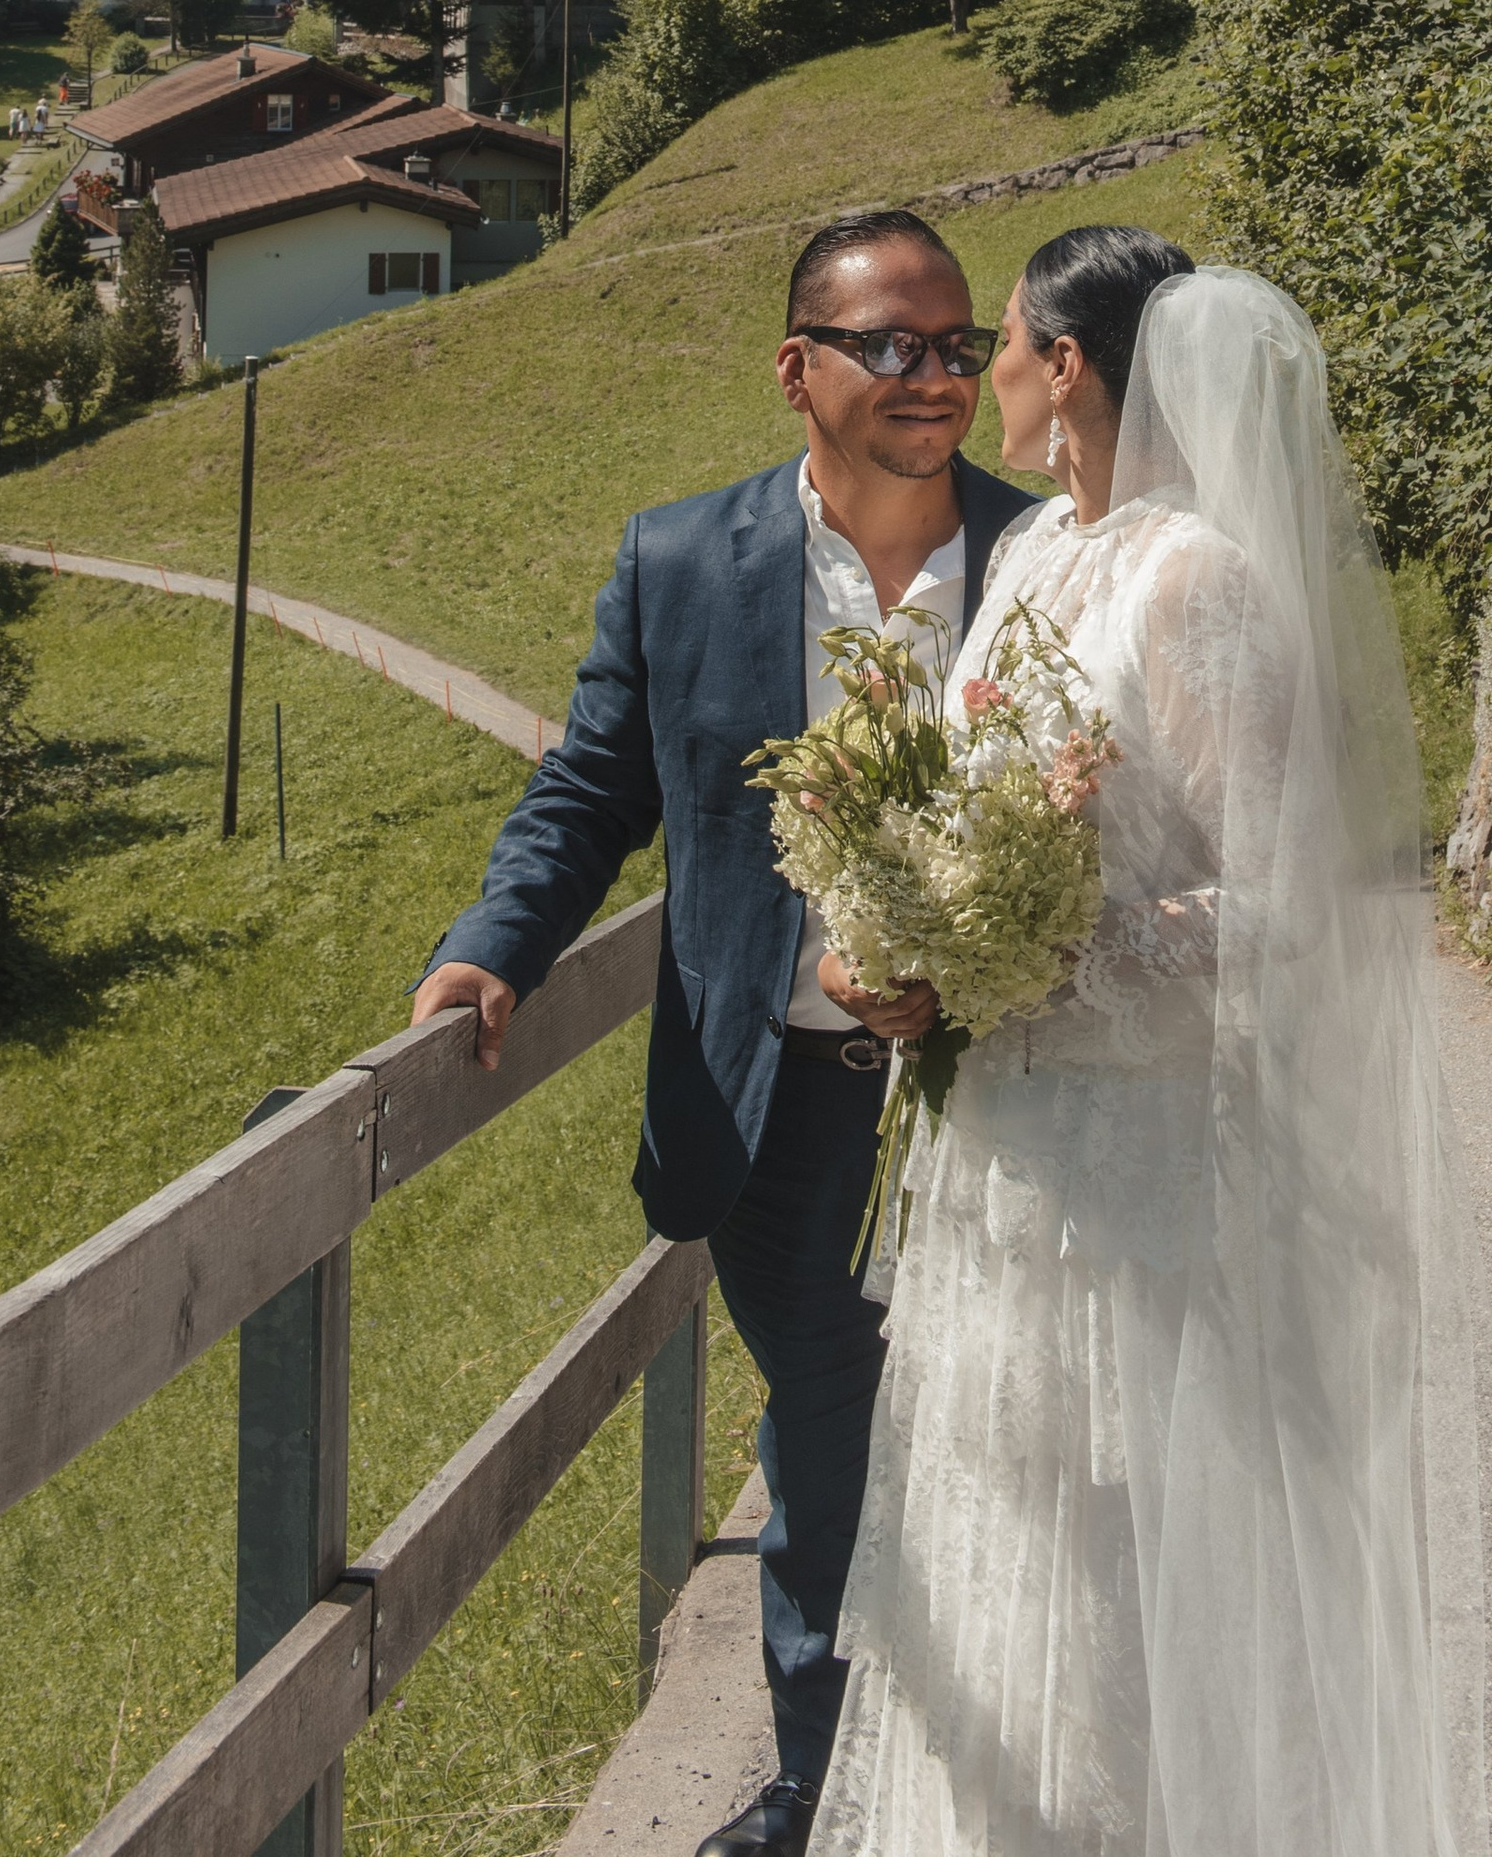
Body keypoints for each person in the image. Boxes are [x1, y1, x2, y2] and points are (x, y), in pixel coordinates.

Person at [811, 226, 1472, 1857]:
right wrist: (904, 940)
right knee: (986, 1562)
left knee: (1115, 1588)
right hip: (1004, 1167)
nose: (983, 376)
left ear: (1073, 366)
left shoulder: (1197, 580)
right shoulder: (1035, 553)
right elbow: (979, 807)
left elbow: (1281, 901)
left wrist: (1050, 948)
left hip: (1141, 1182)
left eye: (1008, 345)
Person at [411, 208, 1034, 1857]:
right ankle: (827, 1795)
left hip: (1002, 1108)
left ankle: (979, 1781)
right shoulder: (679, 561)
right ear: (796, 367)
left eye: (958, 344)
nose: (935, 376)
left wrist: (968, 976)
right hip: (776, 1114)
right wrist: (493, 949)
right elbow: (588, 793)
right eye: (893, 344)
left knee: (991, 1442)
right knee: (834, 1436)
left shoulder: (1045, 559)